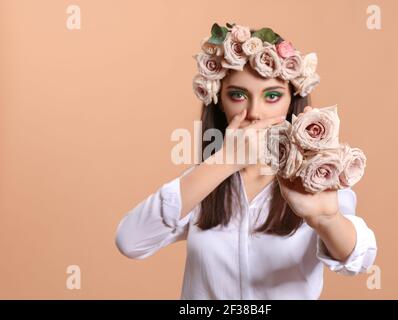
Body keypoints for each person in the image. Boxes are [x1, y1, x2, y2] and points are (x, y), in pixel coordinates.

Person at [115, 23, 377, 299]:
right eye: (238, 95)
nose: (254, 112)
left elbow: (359, 261)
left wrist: (327, 220)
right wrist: (226, 161)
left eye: (272, 96)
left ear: (292, 102)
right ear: (219, 101)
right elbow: (130, 241)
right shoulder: (204, 181)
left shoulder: (318, 177)